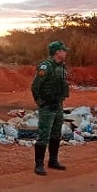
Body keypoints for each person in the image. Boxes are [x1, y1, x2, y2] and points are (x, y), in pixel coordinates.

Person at [30, 40, 70, 176]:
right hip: (47, 105)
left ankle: (53, 160)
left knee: (56, 133)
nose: (65, 53)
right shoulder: (45, 67)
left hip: (58, 104)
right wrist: (40, 102)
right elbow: (35, 86)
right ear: (57, 52)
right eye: (64, 50)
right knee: (43, 134)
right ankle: (39, 164)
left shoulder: (61, 66)